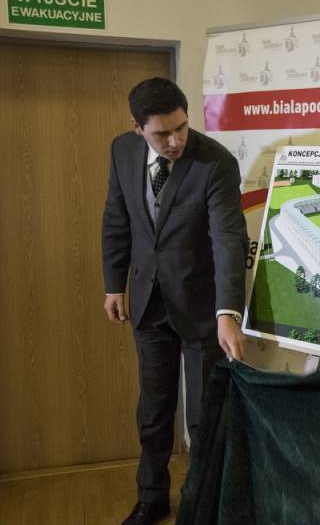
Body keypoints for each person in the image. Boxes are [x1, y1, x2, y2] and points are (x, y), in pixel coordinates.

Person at [102, 77, 248, 525]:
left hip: (201, 308)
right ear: (137, 128)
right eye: (162, 133)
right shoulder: (122, 151)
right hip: (147, 302)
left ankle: (201, 504)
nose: (175, 141)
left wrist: (228, 312)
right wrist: (114, 285)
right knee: (153, 411)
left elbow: (228, 238)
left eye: (181, 127)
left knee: (203, 420)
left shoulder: (215, 162)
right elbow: (117, 217)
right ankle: (152, 498)